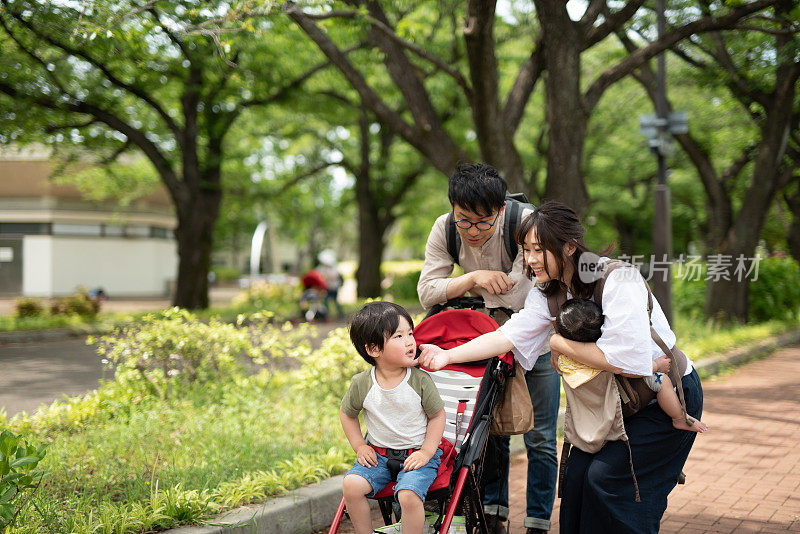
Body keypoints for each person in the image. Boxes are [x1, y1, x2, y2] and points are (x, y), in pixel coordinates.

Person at [419, 201, 705, 534]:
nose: (530, 259)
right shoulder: (549, 295)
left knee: (609, 483)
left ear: (569, 246)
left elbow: (627, 362)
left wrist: (558, 344)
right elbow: (506, 337)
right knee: (576, 481)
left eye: (539, 249)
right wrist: (446, 356)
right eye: (526, 249)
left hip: (662, 397)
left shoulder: (616, 279)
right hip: (615, 406)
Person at [417, 163, 558, 534]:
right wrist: (474, 277)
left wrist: (460, 287)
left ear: (500, 211)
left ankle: (538, 522)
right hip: (484, 342)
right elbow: (426, 291)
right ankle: (493, 517)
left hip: (534, 339)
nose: (473, 233)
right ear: (453, 209)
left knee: (540, 437)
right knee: (491, 431)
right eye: (464, 221)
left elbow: (520, 293)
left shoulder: (526, 222)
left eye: (483, 223)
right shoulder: (444, 227)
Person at [340, 301, 446, 534]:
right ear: (374, 349)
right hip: (378, 455)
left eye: (410, 333)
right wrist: (359, 446)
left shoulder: (419, 381)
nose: (410, 341)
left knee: (407, 495)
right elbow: (347, 415)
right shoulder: (362, 383)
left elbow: (437, 416)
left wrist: (427, 452)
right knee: (351, 484)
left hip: (417, 455)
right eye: (398, 336)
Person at [556, 298, 707, 433]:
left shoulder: (566, 356)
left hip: (592, 409)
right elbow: (626, 369)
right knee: (661, 381)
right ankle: (679, 418)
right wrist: (655, 365)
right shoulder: (600, 351)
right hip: (619, 397)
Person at [318, 249, 345, 319]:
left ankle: (341, 315)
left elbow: (334, 276)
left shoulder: (334, 268)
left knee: (335, 302)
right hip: (327, 288)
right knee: (326, 302)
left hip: (334, 288)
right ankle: (326, 316)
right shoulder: (322, 269)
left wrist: (327, 276)